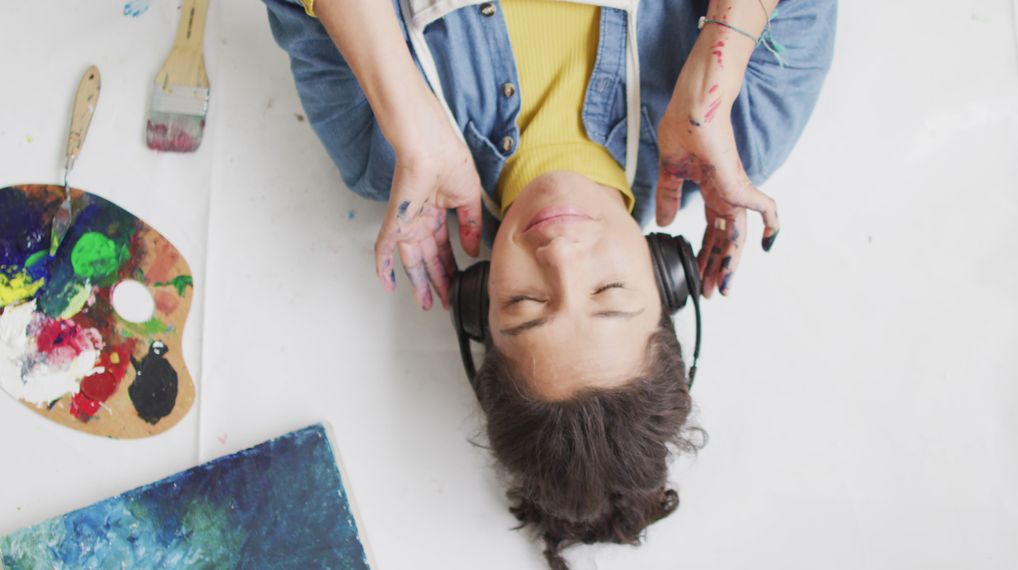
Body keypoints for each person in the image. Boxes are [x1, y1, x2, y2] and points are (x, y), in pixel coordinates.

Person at [262, 0, 835, 567]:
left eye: (526, 303)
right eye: (609, 291)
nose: (560, 254)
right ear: (666, 276)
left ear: (480, 299)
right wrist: (720, 63)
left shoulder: (382, 156)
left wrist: (403, 109)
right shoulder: (745, 127)